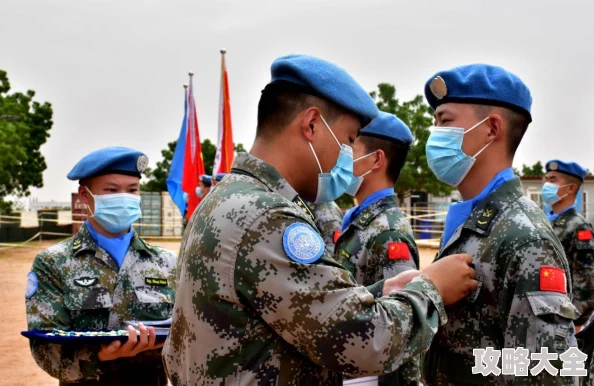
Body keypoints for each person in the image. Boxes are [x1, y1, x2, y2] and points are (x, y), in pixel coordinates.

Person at [162, 54, 478, 385]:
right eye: (348, 140)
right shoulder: (268, 217)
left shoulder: (226, 197)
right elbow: (364, 341)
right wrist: (433, 288)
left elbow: (283, 307)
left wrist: (380, 291)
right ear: (312, 124)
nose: (346, 154)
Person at [421, 64, 579, 385]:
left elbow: (546, 372)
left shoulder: (524, 235)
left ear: (491, 128)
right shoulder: (472, 221)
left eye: (445, 121)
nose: (435, 133)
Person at [25, 147, 177, 386]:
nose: (124, 197)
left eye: (132, 190)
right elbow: (45, 349)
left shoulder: (166, 262)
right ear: (85, 195)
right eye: (112, 190)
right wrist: (99, 356)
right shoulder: (53, 263)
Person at [336, 111, 420, 386]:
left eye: (350, 149)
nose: (341, 157)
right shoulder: (359, 221)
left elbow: (403, 327)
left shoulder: (388, 232)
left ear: (376, 159)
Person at [543, 160, 594, 329]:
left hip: (564, 320)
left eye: (553, 179)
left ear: (571, 188)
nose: (546, 184)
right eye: (546, 179)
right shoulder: (544, 222)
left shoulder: (579, 227)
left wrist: (577, 321)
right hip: (544, 312)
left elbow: (586, 280)